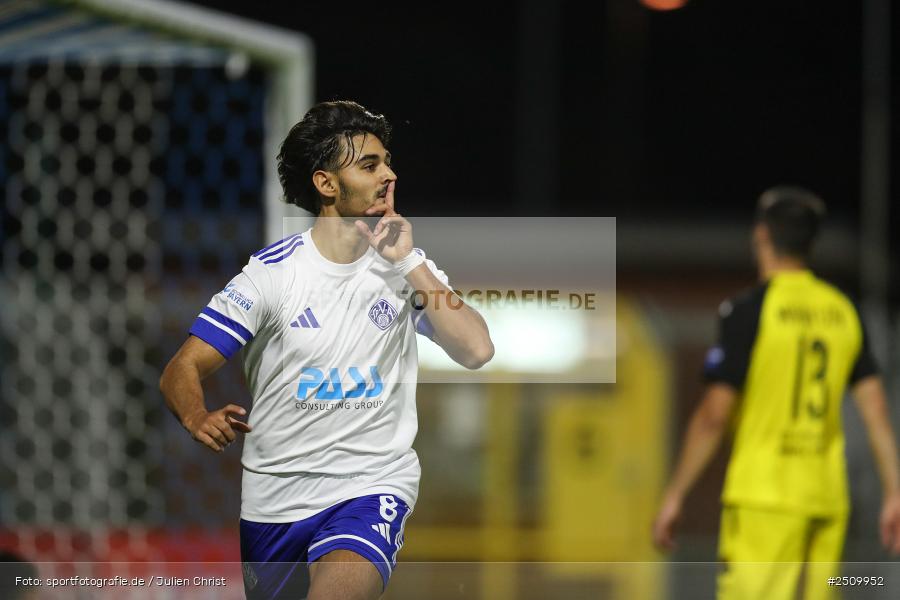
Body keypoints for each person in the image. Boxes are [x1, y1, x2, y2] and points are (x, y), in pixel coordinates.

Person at [159, 100, 494, 600]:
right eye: (369, 164)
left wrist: (407, 263)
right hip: (274, 504)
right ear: (326, 184)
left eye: (386, 162)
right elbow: (181, 367)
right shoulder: (271, 276)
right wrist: (195, 415)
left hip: (371, 485)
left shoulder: (404, 269)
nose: (389, 174)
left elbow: (476, 349)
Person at [652, 186, 900, 600]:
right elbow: (875, 409)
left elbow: (713, 415)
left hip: (764, 497)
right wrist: (894, 492)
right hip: (825, 497)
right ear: (811, 244)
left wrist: (675, 493)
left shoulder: (749, 311)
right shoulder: (843, 311)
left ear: (762, 236)